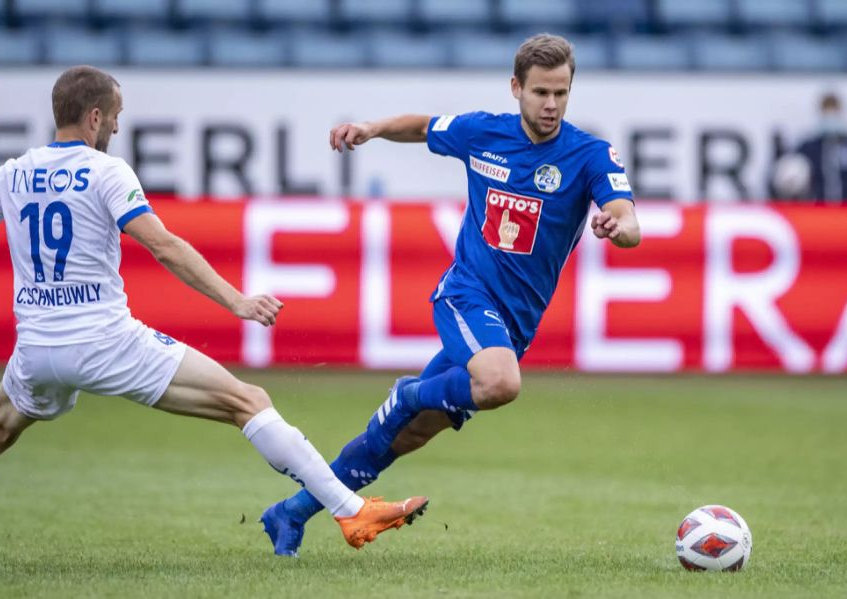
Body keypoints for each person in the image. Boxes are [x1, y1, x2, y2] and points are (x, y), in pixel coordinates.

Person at [0, 65, 428, 554]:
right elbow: (164, 246)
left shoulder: (13, 173)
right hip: (103, 341)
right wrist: (236, 301)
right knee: (248, 401)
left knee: (0, 431)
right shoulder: (105, 170)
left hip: (35, 349)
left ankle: (344, 510)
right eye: (115, 117)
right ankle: (350, 512)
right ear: (95, 117)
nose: (117, 127)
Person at [259, 33, 641, 556]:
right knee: (500, 384)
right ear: (516, 88)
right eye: (540, 93)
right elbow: (422, 127)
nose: (551, 105)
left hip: (513, 325)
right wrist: (370, 128)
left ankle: (290, 513)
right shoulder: (482, 132)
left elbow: (627, 216)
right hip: (466, 294)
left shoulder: (589, 153)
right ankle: (409, 392)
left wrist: (616, 227)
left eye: (561, 93)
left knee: (409, 435)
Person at [774, 92, 847, 202]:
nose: (830, 118)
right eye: (827, 113)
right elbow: (790, 173)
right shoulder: (808, 147)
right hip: (817, 208)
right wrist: (778, 151)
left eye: (834, 113)